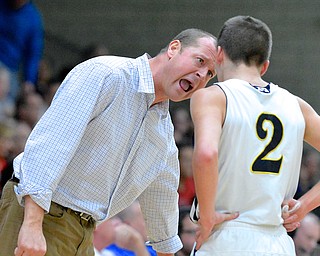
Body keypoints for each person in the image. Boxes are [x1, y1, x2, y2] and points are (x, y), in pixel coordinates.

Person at [0, 28, 220, 256]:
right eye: (200, 61)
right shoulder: (106, 74)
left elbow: (161, 196)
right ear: (174, 49)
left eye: (210, 74)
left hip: (85, 231)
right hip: (38, 213)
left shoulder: (163, 128)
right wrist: (32, 224)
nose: (201, 75)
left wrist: (167, 253)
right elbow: (50, 145)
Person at [189, 15, 320, 255]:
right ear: (265, 65)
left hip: (226, 236)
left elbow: (207, 154)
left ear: (219, 54)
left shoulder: (212, 96)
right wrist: (303, 207)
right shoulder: (296, 105)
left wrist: (207, 216)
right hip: (278, 241)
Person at [0, 0, 44, 101]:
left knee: (9, 102)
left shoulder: (33, 19)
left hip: (9, 67)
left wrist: (29, 80)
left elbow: (33, 54)